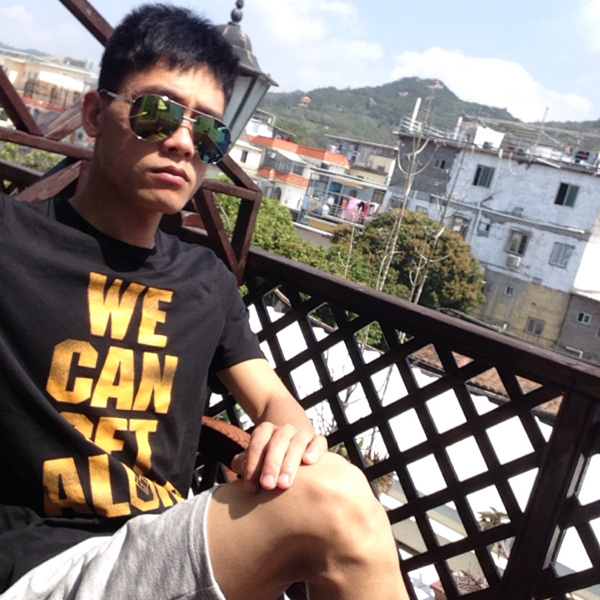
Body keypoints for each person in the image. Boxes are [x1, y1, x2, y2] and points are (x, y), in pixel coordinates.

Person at [0, 4, 409, 600]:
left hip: (160, 545)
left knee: (328, 483)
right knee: (337, 502)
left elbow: (272, 399)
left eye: (209, 132)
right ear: (93, 114)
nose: (182, 142)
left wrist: (288, 433)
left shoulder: (206, 279)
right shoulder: (12, 239)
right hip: (41, 564)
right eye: (156, 113)